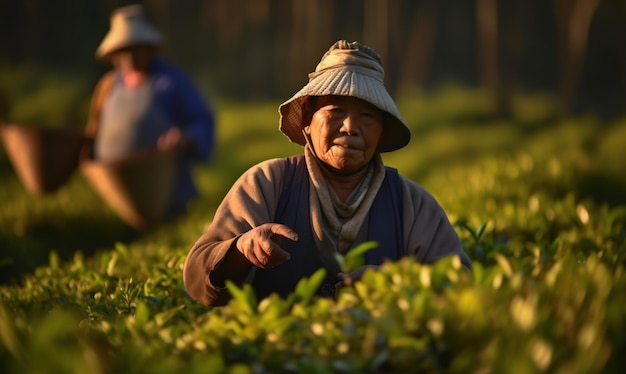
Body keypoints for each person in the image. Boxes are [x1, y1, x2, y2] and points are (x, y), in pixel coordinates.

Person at [183, 40, 471, 307]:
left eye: (367, 115)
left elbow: (461, 287)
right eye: (335, 111)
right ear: (308, 119)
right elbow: (197, 273)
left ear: (382, 129)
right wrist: (241, 250)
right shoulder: (268, 183)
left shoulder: (411, 203)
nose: (349, 127)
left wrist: (395, 283)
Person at [85, 4, 214, 219]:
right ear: (114, 55)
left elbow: (203, 121)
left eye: (136, 49)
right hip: (118, 199)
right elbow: (93, 129)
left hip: (170, 197)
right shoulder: (108, 87)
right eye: (123, 51)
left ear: (149, 48)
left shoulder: (172, 82)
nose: (130, 58)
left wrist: (186, 138)